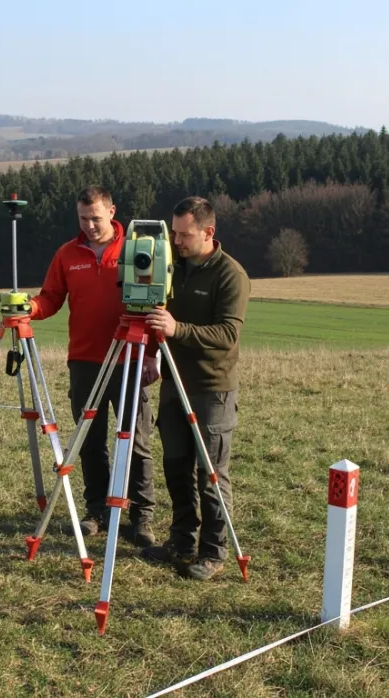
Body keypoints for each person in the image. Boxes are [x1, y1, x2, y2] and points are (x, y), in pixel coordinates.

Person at [28, 185, 158, 546]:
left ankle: (141, 517)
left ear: (112, 211)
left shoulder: (138, 248)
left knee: (137, 442)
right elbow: (52, 297)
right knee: (90, 441)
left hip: (131, 358)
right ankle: (97, 509)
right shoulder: (68, 254)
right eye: (83, 219)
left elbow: (159, 298)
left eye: (96, 218)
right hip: (84, 361)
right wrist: (31, 308)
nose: (90, 226)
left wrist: (153, 352)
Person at [141, 195, 250, 580]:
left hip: (211, 389)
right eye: (174, 232)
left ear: (209, 232)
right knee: (176, 467)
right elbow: (157, 316)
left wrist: (178, 330)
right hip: (174, 383)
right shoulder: (174, 266)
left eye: (185, 234)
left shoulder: (230, 275)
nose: (177, 240)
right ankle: (181, 540)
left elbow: (227, 333)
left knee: (211, 474)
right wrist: (155, 352)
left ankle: (213, 552)